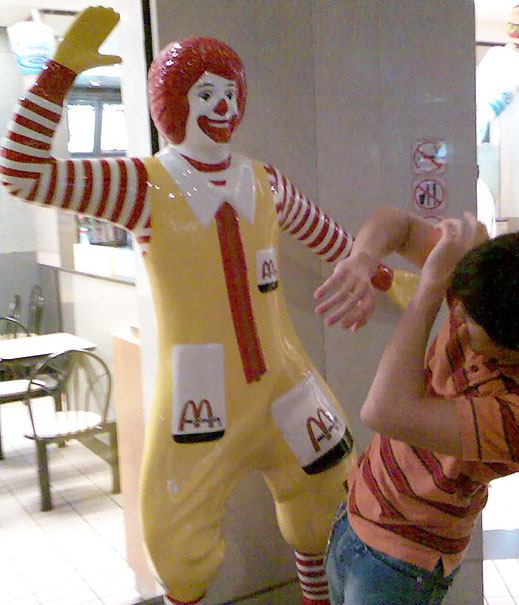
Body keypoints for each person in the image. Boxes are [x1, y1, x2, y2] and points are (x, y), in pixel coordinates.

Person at [0, 7, 403, 605]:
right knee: (176, 541)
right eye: (206, 93)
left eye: (230, 93)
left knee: (328, 496)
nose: (222, 107)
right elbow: (22, 173)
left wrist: (390, 280)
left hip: (286, 379)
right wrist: (60, 74)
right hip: (199, 395)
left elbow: (330, 240)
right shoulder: (140, 185)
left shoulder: (264, 181)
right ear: (174, 103)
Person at [314, 208, 519, 604]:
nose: (457, 313)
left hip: (401, 561)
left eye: (471, 324)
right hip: (357, 509)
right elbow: (399, 226)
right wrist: (362, 260)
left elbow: (384, 411)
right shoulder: (501, 285)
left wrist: (431, 285)